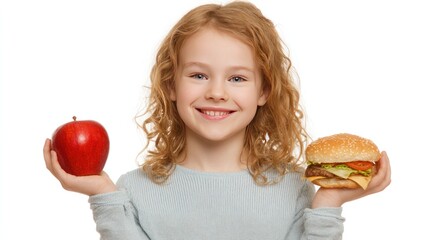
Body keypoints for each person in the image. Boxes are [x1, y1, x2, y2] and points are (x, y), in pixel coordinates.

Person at [43, 1, 391, 239]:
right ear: (170, 85)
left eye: (237, 79)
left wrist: (328, 203)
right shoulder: (133, 190)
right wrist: (102, 194)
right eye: (198, 75)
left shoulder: (294, 189)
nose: (216, 92)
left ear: (264, 91)